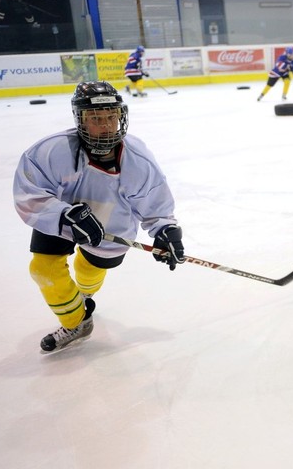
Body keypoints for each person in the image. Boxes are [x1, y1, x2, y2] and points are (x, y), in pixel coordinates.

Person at [14, 81, 185, 354]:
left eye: (111, 116)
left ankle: (83, 295)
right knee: (43, 269)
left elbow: (156, 206)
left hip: (111, 223)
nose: (105, 125)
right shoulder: (51, 151)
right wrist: (62, 215)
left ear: (120, 116)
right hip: (60, 217)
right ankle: (76, 322)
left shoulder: (138, 159)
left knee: (89, 269)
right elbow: (29, 193)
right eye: (95, 118)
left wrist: (165, 230)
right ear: (80, 119)